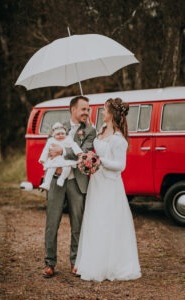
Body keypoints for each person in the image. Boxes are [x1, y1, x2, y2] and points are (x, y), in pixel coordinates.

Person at [74, 97, 141, 281]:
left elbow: (120, 165)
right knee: (94, 219)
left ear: (111, 113)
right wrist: (89, 157)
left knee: (106, 222)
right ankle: (91, 262)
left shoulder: (119, 139)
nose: (101, 113)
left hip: (109, 185)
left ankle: (109, 264)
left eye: (104, 110)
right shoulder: (102, 131)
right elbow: (96, 150)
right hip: (97, 182)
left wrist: (100, 160)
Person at [43, 96, 97, 278]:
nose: (86, 112)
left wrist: (63, 151)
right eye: (83, 109)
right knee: (52, 222)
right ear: (73, 109)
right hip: (57, 179)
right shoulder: (59, 126)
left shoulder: (90, 130)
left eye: (88, 109)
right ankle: (50, 263)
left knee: (78, 223)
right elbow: (50, 149)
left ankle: (76, 262)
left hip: (77, 181)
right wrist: (57, 154)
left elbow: (84, 154)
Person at [39, 122, 82, 189]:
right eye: (58, 134)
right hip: (55, 159)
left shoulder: (68, 139)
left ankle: (62, 178)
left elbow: (74, 145)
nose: (60, 135)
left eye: (62, 133)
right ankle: (46, 183)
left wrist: (78, 152)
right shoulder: (51, 141)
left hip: (65, 159)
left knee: (67, 168)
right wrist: (42, 159)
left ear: (65, 133)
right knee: (50, 169)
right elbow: (46, 150)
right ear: (54, 135)